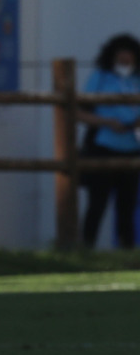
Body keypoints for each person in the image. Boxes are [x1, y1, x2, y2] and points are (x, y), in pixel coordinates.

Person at [78, 33, 140, 249]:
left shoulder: (137, 79)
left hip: (132, 148)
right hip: (103, 146)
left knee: (127, 204)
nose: (125, 60)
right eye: (120, 55)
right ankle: (86, 248)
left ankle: (127, 250)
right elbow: (79, 111)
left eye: (128, 55)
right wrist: (106, 122)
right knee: (97, 203)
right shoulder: (101, 76)